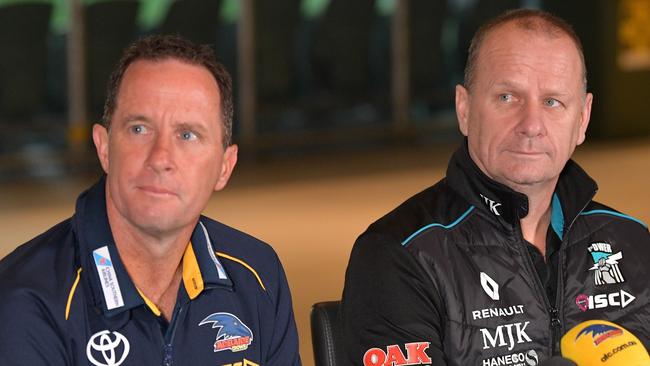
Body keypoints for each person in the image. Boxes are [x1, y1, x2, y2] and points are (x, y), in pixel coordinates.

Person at [341, 8, 650, 366]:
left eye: (553, 102)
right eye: (508, 97)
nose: (531, 124)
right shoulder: (400, 255)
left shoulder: (633, 243)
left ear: (582, 119)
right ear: (464, 109)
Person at [0, 35, 301, 366]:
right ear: (104, 148)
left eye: (188, 135)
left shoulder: (257, 275)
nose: (161, 158)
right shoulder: (26, 299)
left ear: (224, 167)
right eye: (139, 129)